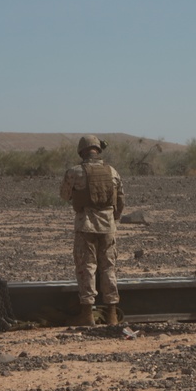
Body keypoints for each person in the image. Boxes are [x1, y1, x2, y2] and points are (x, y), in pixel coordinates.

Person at [60, 135, 126, 326]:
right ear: (98, 150)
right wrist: (114, 219)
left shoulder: (74, 172)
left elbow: (64, 195)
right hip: (108, 226)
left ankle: (87, 314)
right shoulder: (112, 171)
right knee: (108, 267)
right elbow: (120, 200)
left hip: (85, 225)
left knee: (86, 267)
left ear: (82, 152)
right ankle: (112, 314)